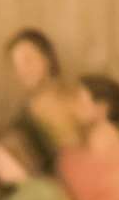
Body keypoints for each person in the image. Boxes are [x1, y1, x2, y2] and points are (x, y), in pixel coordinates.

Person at [6, 26, 83, 162]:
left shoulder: (79, 98)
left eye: (28, 60)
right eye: (16, 65)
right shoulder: (25, 120)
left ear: (47, 58)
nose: (22, 71)